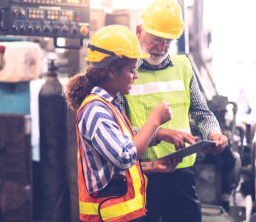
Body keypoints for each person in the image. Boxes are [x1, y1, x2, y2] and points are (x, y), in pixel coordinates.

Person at [120, 0, 229, 221]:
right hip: (143, 174)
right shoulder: (125, 72)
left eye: (168, 41)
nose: (161, 48)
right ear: (139, 31)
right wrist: (159, 133)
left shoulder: (184, 66)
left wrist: (213, 133)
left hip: (182, 175)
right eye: (156, 39)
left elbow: (202, 112)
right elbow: (120, 128)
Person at [65, 25, 182, 222]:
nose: (135, 76)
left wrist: (156, 163)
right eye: (131, 70)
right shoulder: (95, 110)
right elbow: (124, 156)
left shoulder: (110, 105)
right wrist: (154, 120)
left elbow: (118, 156)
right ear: (112, 71)